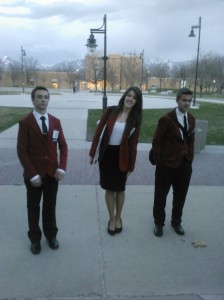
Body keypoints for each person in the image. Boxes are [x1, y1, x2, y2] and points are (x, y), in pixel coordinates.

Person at [17, 86, 68, 254]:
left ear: (48, 100)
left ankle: (51, 235)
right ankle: (35, 239)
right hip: (34, 175)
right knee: (33, 207)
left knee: (50, 206)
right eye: (39, 97)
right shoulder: (26, 123)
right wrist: (32, 174)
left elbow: (63, 146)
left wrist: (62, 168)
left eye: (45, 97)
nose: (42, 100)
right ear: (33, 100)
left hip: (52, 174)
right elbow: (21, 150)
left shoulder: (55, 121)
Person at [89, 87, 143, 235]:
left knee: (119, 189)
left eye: (134, 97)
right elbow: (98, 132)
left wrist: (131, 166)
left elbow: (134, 144)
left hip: (122, 157)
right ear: (124, 96)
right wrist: (92, 153)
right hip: (107, 155)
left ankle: (118, 218)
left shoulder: (135, 119)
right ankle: (111, 219)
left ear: (137, 102)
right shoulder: (110, 111)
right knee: (109, 188)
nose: (130, 99)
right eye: (128, 95)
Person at [151, 87, 195, 237]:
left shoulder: (191, 119)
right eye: (184, 100)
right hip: (166, 166)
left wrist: (189, 158)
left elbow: (190, 141)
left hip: (184, 165)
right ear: (177, 100)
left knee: (180, 196)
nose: (186, 103)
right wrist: (160, 160)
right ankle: (158, 223)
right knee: (160, 196)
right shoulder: (166, 119)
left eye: (189, 101)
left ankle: (176, 222)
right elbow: (156, 141)